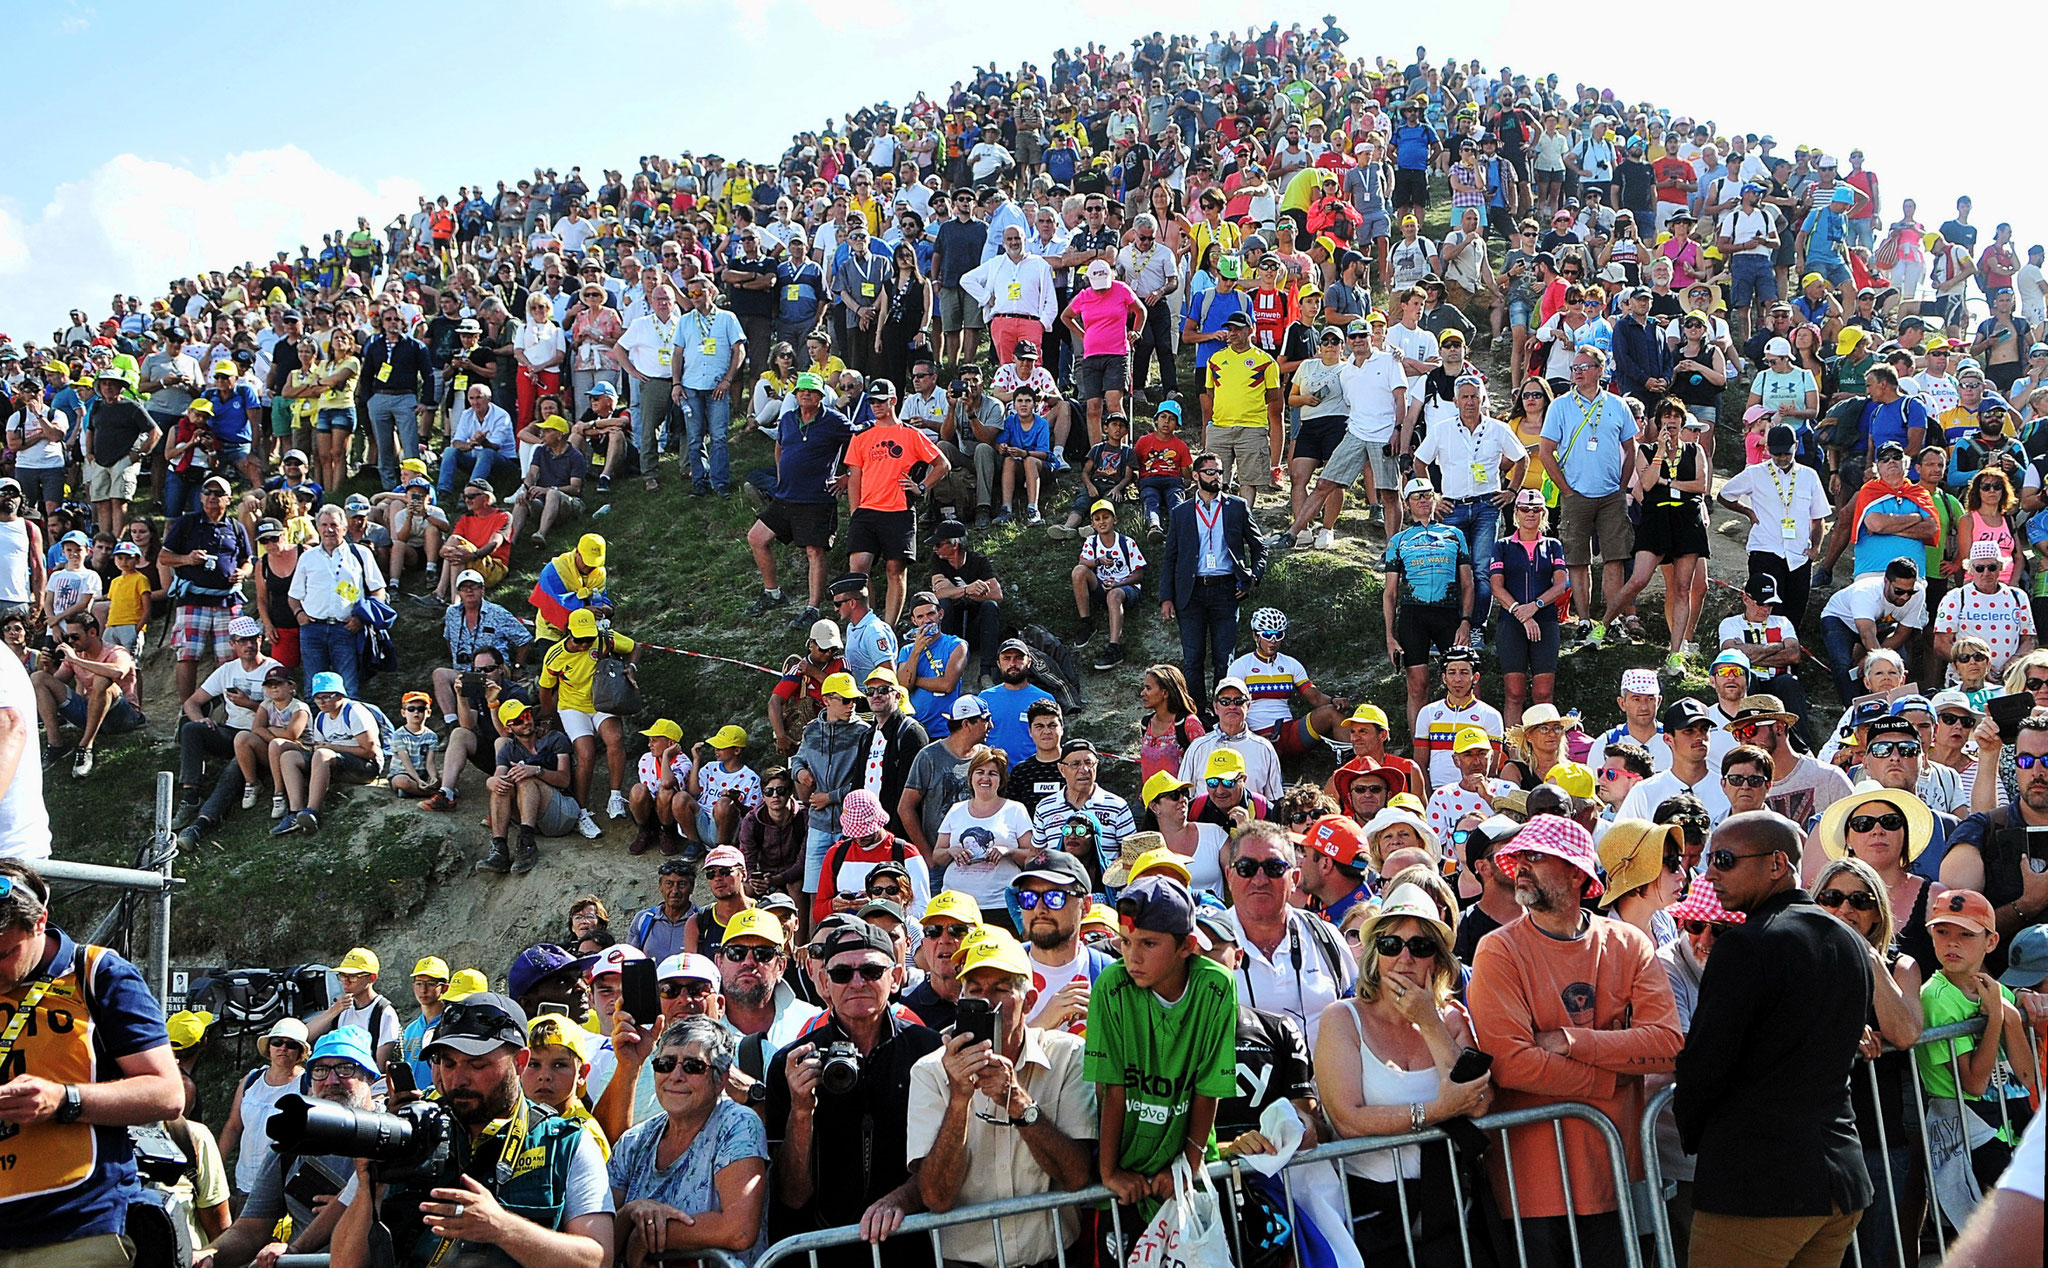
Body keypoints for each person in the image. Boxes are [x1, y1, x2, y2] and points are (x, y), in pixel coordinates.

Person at [1467, 814, 1683, 1267]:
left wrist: (1571, 1041)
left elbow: (1667, 1044)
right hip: (1531, 1187)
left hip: (1618, 1175)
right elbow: (1511, 1064)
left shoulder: (1628, 943)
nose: (1521, 866)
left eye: (1536, 856)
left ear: (1576, 871)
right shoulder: (1497, 949)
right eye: (1519, 857)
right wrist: (1613, 1079)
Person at [1676, 810, 1876, 1268]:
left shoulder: (1746, 944)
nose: (1710, 872)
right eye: (1709, 858)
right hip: (1839, 1179)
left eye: (1724, 859)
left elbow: (1707, 1059)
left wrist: (1699, 1133)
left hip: (1759, 1186)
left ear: (1776, 863)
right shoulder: (1849, 941)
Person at [328, 991, 616, 1268]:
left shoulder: (567, 1143)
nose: (459, 1078)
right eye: (448, 1063)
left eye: (477, 1064)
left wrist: (502, 1228)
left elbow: (597, 1259)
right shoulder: (409, 1133)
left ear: (519, 1062)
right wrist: (369, 1186)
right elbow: (343, 1264)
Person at [0, 859, 183, 1262]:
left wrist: (64, 1100)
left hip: (75, 1229)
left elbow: (167, 1093)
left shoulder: (97, 973)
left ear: (39, 922)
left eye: (4, 954)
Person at [1315, 881, 1495, 1265]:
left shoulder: (1452, 1019)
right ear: (1374, 955)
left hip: (1449, 1205)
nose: (1405, 958)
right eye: (1391, 945)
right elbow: (1348, 1121)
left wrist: (1429, 1023)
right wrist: (1435, 1113)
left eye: (1421, 946)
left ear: (1438, 960)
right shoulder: (1342, 1019)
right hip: (1373, 1212)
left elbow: (1479, 1104)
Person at [907, 927, 1096, 1268]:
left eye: (1000, 989)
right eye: (975, 990)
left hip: (1052, 1260)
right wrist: (959, 1100)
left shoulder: (1068, 1055)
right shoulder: (930, 1071)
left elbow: (1077, 1176)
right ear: (959, 1000)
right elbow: (935, 1197)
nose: (987, 1001)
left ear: (1031, 1001)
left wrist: (1020, 1105)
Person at [765, 918, 943, 1268]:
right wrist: (801, 1111)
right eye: (843, 974)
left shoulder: (928, 1050)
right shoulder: (791, 1062)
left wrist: (904, 1198)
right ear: (824, 984)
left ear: (894, 979)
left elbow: (950, 1153)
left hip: (911, 1245)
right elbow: (791, 1195)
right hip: (821, 1252)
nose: (857, 982)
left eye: (872, 971)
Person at [1086, 874, 1235, 1235]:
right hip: (1127, 1173)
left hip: (1189, 1166)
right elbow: (1112, 1090)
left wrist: (1189, 1163)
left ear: (1186, 946)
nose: (1132, 957)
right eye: (1125, 942)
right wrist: (1109, 1173)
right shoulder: (1111, 984)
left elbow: (1206, 1088)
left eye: (1149, 943)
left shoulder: (1216, 986)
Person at [206, 1026, 380, 1268]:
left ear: (371, 1077)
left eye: (345, 1068)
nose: (331, 1081)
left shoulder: (393, 1137)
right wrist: (208, 1255)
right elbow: (251, 1230)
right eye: (320, 1070)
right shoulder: (292, 1142)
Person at [609, 1017, 772, 1267]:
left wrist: (646, 1236)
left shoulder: (737, 1123)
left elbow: (739, 1230)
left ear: (720, 1079)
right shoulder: (633, 1140)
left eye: (693, 1066)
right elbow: (600, 1239)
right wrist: (632, 1212)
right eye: (665, 1064)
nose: (675, 1075)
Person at [1537, 346, 1640, 642]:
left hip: (1610, 495)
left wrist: (1621, 488)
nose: (1577, 372)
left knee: (1615, 558)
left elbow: (1630, 448)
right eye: (1574, 367)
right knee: (1577, 560)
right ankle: (1583, 619)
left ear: (1599, 369)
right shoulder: (1560, 405)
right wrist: (1566, 490)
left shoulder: (1618, 404)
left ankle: (1611, 621)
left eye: (1584, 366)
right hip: (1576, 493)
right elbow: (1546, 451)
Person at [1223, 821, 1357, 1044]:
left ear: (1295, 879)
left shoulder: (1325, 938)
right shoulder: (1208, 943)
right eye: (1246, 867)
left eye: (1274, 868)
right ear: (1229, 877)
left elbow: (1357, 1014)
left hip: (1322, 1078)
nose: (1260, 880)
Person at [1159, 450, 1265, 713]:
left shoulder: (1237, 506)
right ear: (1195, 476)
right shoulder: (1181, 511)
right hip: (1191, 592)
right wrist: (1166, 597)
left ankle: (1222, 711)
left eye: (1219, 471)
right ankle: (1196, 713)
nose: (1217, 476)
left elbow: (1259, 546)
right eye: (1210, 472)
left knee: (1223, 659)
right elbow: (1170, 556)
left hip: (1226, 589)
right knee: (1193, 658)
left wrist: (1254, 576)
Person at [1385, 479, 1477, 734]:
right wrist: (1390, 636)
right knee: (1418, 685)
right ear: (1407, 503)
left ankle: (1469, 738)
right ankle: (1420, 748)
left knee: (1465, 681)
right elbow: (1390, 593)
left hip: (1449, 614)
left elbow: (1467, 583)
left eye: (1427, 495)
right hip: (1413, 615)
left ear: (1435, 499)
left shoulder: (1454, 535)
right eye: (1416, 497)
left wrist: (1466, 621)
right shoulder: (1398, 540)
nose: (1423, 500)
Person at [540, 605, 642, 830]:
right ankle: (582, 811)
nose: (585, 644)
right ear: (569, 633)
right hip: (572, 707)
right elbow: (545, 689)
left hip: (602, 701)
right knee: (586, 754)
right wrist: (547, 717)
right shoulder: (555, 655)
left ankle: (615, 796)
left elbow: (634, 646)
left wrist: (631, 666)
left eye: (588, 639)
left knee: (615, 739)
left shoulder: (604, 638)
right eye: (579, 640)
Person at [1489, 487, 1569, 724]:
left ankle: (1544, 749)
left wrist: (1535, 606)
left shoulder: (1553, 545)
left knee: (1543, 693)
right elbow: (1496, 586)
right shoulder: (1502, 546)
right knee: (1514, 693)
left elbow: (1561, 583)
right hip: (1511, 621)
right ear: (1516, 513)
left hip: (1544, 619)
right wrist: (1520, 613)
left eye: (1536, 510)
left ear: (1543, 513)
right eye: (1525, 509)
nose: (1530, 514)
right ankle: (1513, 753)